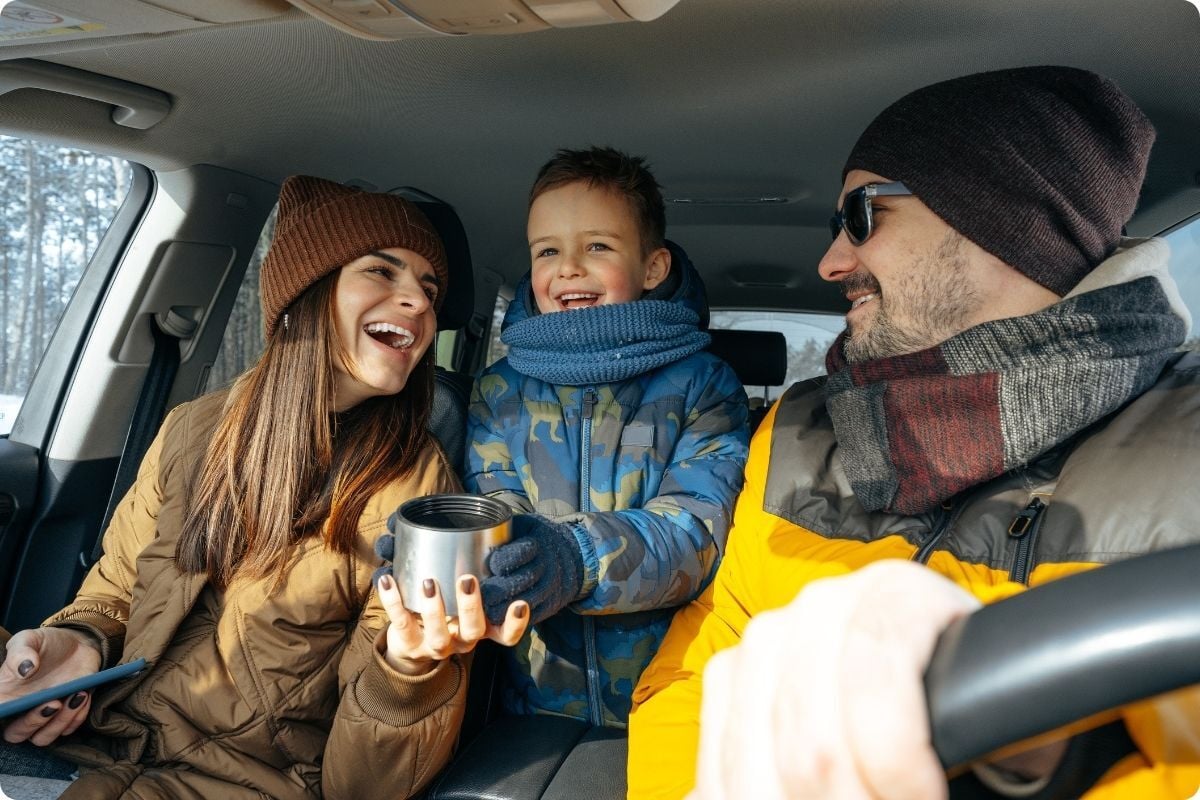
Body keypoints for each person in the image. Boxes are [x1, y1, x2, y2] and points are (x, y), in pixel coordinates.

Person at [628, 66, 1200, 799]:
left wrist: (1041, 756)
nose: (831, 261)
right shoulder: (797, 428)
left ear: (997, 216)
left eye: (861, 214)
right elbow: (704, 661)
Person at [0, 175, 529, 799]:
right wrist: (82, 638)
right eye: (381, 271)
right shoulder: (192, 429)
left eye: (430, 288)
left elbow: (362, 789)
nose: (417, 299)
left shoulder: (416, 491)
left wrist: (408, 672)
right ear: (306, 292)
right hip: (99, 744)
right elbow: (118, 584)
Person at [464, 146, 749, 727]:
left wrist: (574, 557)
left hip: (673, 698)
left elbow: (698, 533)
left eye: (597, 246)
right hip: (532, 700)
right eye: (548, 251)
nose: (569, 267)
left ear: (653, 268)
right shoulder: (498, 389)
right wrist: (442, 559)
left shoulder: (704, 384)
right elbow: (494, 512)